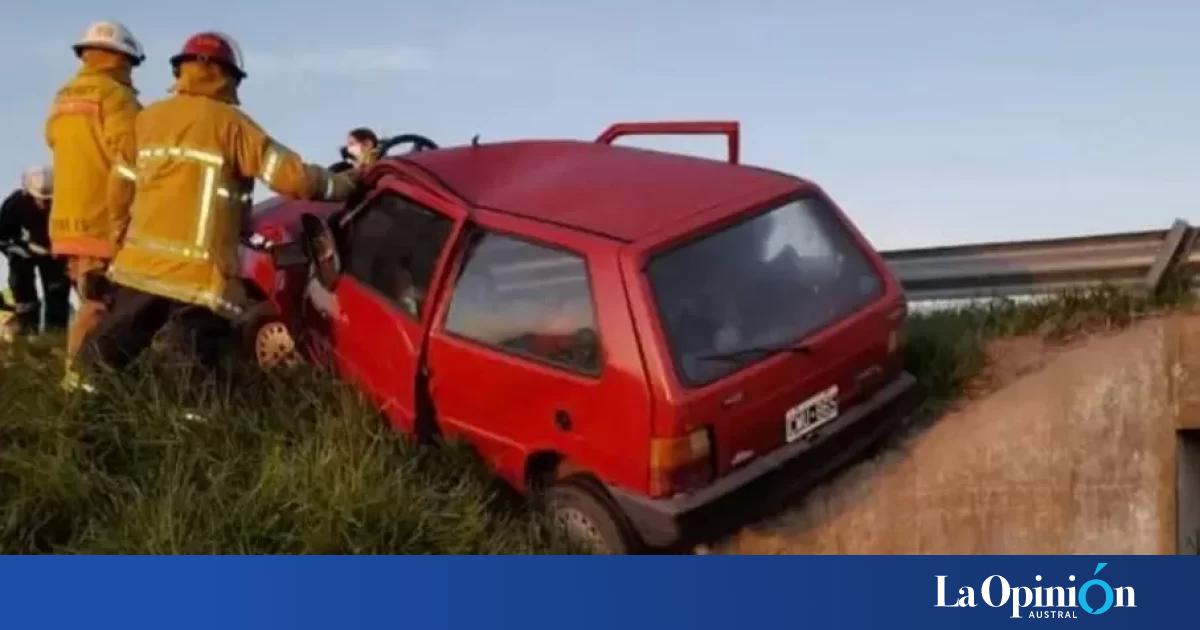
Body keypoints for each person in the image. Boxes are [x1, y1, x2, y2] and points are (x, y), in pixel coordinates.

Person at [79, 32, 359, 380]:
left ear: (181, 70)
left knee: (103, 357)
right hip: (201, 279)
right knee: (192, 374)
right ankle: (190, 427)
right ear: (228, 75)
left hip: (142, 269)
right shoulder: (232, 126)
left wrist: (117, 241)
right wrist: (346, 183)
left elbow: (119, 190)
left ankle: (77, 415)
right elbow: (293, 178)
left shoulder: (146, 121)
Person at [45, 21, 143, 384]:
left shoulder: (62, 96)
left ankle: (85, 378)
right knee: (99, 306)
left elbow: (52, 140)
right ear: (119, 58)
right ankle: (80, 383)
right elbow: (132, 159)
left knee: (91, 301)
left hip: (67, 222)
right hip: (104, 220)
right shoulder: (117, 98)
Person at [0, 166, 70, 337]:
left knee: (57, 295)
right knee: (22, 290)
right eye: (40, 199)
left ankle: (55, 339)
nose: (45, 204)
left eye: (49, 200)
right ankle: (26, 334)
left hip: (54, 253)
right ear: (28, 193)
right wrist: (26, 248)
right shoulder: (14, 205)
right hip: (23, 252)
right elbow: (3, 238)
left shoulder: (65, 203)